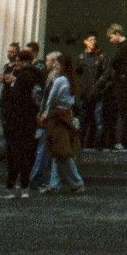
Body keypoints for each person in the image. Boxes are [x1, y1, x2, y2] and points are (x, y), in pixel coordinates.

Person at [33, 52, 85, 193]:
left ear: (62, 65)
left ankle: (76, 182)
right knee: (58, 152)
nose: (55, 64)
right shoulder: (70, 80)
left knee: (61, 151)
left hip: (56, 117)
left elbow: (51, 99)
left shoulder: (60, 80)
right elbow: (71, 102)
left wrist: (45, 114)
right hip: (65, 115)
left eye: (58, 63)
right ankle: (55, 184)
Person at [1, 49, 42, 194]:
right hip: (30, 119)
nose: (16, 63)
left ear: (24, 61)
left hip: (18, 120)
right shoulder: (36, 74)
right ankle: (25, 186)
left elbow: (17, 98)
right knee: (27, 153)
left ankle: (10, 187)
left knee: (14, 153)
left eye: (18, 60)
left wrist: (12, 84)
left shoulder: (24, 77)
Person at [103, 25, 127, 149]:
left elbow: (114, 61)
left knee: (123, 111)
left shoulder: (126, 46)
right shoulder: (124, 46)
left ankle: (123, 142)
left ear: (117, 34)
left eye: (111, 37)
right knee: (120, 110)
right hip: (121, 81)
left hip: (123, 82)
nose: (110, 41)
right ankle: (119, 141)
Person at [73, 33, 104, 149]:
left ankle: (97, 144)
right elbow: (77, 74)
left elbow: (104, 74)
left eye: (95, 39)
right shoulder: (81, 57)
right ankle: (80, 144)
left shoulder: (100, 57)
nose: (93, 42)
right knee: (83, 119)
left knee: (98, 119)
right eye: (90, 40)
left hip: (97, 93)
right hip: (84, 93)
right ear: (85, 42)